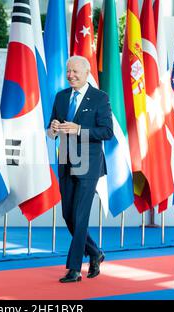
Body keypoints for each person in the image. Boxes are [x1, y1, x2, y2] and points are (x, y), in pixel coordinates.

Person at [48, 55, 113, 283]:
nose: (71, 75)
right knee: (68, 215)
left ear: (86, 73)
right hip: (66, 160)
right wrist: (53, 128)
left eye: (75, 71)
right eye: (68, 71)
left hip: (89, 163)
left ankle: (74, 268)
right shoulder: (61, 97)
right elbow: (51, 129)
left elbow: (107, 132)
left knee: (81, 215)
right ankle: (95, 253)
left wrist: (79, 129)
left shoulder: (99, 98)